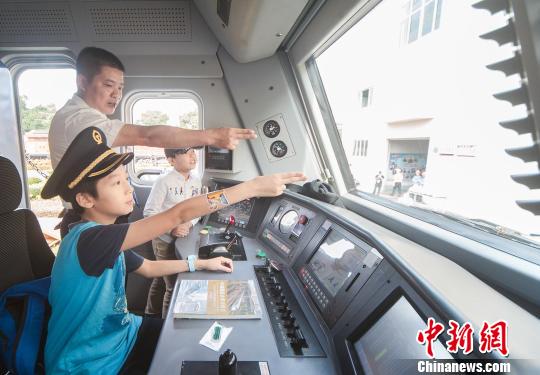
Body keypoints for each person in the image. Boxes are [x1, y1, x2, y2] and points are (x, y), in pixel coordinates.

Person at [41, 127, 306, 373]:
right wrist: (251, 188)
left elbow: (148, 268)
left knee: (193, 338)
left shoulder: (104, 239)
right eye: (116, 183)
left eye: (125, 179)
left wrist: (200, 264)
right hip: (90, 363)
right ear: (85, 199)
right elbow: (176, 214)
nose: (129, 188)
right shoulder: (90, 240)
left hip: (124, 335)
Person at [49, 46, 256, 237]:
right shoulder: (77, 120)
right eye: (108, 85)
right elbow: (147, 135)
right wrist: (212, 136)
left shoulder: (90, 118)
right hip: (89, 220)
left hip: (95, 217)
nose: (117, 94)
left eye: (121, 87)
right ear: (83, 82)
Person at [143, 147, 202, 318]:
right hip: (164, 240)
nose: (193, 155)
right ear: (171, 160)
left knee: (161, 280)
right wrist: (171, 228)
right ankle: (161, 329)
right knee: (172, 286)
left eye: (193, 152)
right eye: (186, 152)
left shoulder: (196, 180)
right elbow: (149, 213)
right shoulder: (163, 181)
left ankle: (150, 315)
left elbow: (197, 210)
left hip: (183, 236)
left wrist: (189, 224)